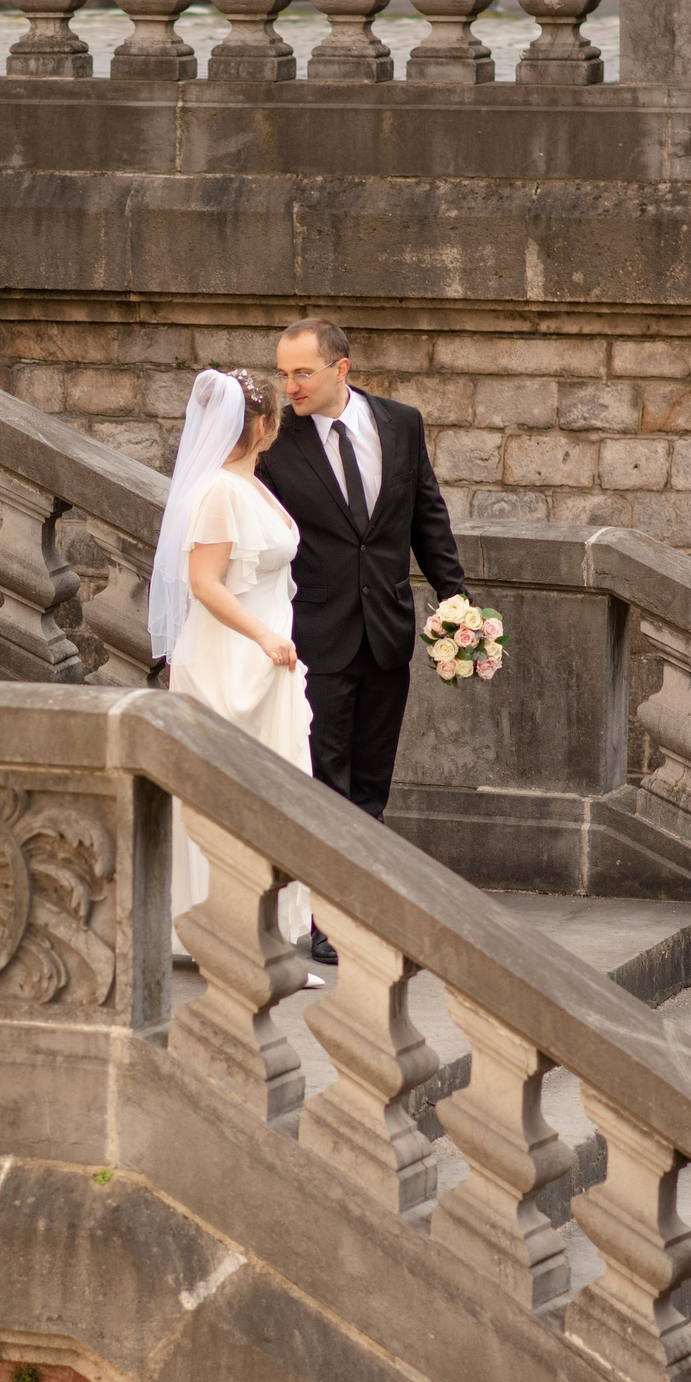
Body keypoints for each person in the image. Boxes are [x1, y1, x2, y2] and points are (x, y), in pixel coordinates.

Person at [257, 318, 468, 965]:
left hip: (388, 635)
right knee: (325, 778)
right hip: (314, 638)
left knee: (371, 784)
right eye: (283, 372)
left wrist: (455, 599)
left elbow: (426, 515)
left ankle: (367, 902)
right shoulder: (272, 441)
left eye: (302, 373)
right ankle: (325, 915)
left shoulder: (401, 424)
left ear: (340, 368)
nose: (289, 385)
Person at [151, 368, 314, 943]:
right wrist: (263, 637)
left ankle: (262, 930)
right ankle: (227, 931)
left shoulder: (250, 483)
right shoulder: (221, 491)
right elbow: (205, 582)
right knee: (234, 792)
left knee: (276, 787)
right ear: (265, 425)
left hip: (268, 654)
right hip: (233, 655)